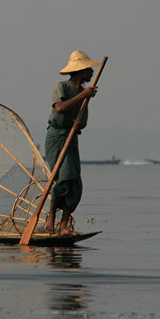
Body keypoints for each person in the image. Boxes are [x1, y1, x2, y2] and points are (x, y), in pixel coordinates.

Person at [44, 50, 99, 235]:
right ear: (81, 71)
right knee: (62, 178)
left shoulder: (84, 93)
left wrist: (84, 103)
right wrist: (82, 97)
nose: (91, 73)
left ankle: (64, 225)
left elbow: (82, 121)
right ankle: (51, 218)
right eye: (89, 70)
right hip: (57, 137)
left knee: (75, 182)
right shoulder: (62, 86)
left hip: (71, 137)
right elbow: (60, 108)